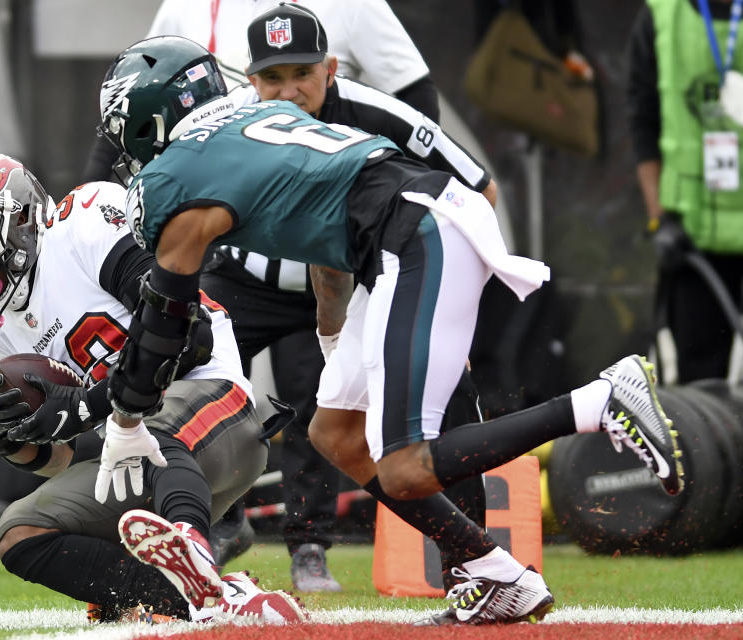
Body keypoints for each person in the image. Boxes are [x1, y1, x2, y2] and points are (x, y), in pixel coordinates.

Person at [90, 36, 686, 625]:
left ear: (145, 121)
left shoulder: (177, 174)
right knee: (337, 433)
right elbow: (321, 230)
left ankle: (599, 400)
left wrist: (127, 415)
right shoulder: (265, 115)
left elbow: (167, 315)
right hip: (401, 234)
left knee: (404, 464)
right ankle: (493, 571)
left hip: (417, 233)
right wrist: (331, 342)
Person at [84, 0, 492, 593]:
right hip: (282, 269)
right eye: (272, 78)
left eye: (302, 74)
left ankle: (585, 411)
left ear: (331, 70)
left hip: (385, 257)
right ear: (247, 82)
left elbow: (453, 169)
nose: (289, 92)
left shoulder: (368, 104)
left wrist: (447, 300)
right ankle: (210, 520)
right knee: (314, 422)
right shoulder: (229, 111)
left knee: (387, 430)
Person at [0, 152, 306, 624]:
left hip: (217, 410)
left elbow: (188, 333)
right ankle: (211, 600)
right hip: (136, 452)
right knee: (19, 532)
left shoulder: (84, 222)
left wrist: (85, 405)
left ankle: (195, 549)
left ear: (19, 219)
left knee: (151, 427)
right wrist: (9, 440)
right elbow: (67, 457)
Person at [627, 0, 743, 383]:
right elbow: (643, 122)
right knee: (700, 382)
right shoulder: (662, 15)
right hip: (692, 242)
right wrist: (659, 219)